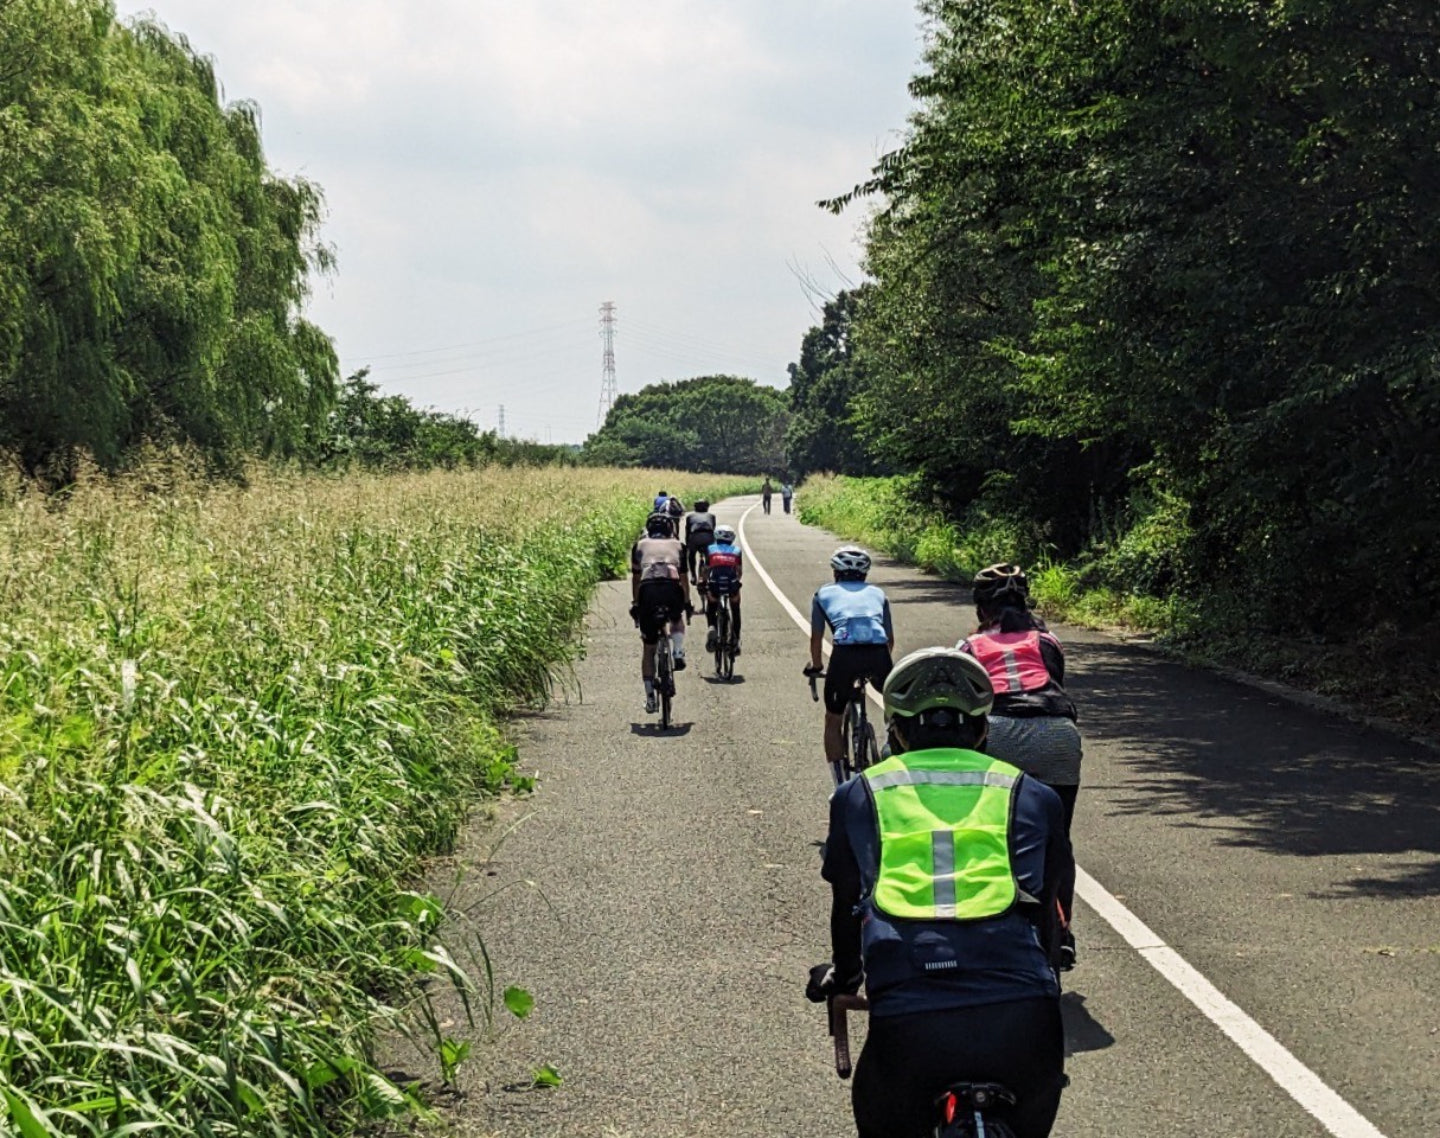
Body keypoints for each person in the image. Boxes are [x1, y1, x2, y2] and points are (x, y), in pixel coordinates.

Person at [809, 647, 1072, 1138]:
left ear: (898, 734)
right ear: (982, 731)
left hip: (911, 1023)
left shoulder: (859, 794)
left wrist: (845, 979)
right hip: (1023, 1017)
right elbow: (1054, 909)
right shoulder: (1031, 793)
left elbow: (846, 902)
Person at [957, 562, 1081, 968]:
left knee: (987, 831)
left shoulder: (970, 647)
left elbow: (967, 710)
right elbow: (1056, 688)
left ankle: (987, 916)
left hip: (1000, 732)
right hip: (1057, 734)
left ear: (980, 610)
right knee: (1057, 837)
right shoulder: (1048, 641)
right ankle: (1061, 933)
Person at [805, 547, 894, 766]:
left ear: (835, 572)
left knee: (833, 718)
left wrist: (817, 666)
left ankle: (840, 782)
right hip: (878, 653)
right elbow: (889, 639)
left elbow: (817, 638)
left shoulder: (822, 594)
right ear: (865, 574)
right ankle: (894, 746)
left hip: (845, 656)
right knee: (897, 709)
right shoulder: (878, 594)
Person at [629, 512, 692, 713]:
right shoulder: (678, 545)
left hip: (648, 590)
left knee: (649, 648)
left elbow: (636, 579)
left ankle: (650, 699)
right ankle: (678, 650)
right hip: (671, 586)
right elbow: (683, 577)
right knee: (676, 619)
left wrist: (636, 603)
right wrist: (687, 602)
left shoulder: (639, 545)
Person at [700, 523, 742, 655]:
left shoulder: (710, 549)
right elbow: (739, 572)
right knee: (735, 609)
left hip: (715, 584)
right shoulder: (737, 551)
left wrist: (703, 582)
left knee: (711, 606)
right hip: (731, 584)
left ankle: (712, 626)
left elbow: (706, 570)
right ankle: (735, 638)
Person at [684, 499, 716, 582]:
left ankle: (693, 576)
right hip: (708, 537)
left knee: (691, 555)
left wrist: (687, 544)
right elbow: (713, 529)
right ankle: (708, 574)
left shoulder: (690, 516)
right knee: (709, 556)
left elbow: (687, 531)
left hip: (695, 537)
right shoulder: (711, 516)